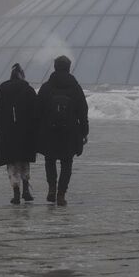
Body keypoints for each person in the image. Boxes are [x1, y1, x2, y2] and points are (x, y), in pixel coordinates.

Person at [36, 54, 89, 205]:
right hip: (70, 133)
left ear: (55, 67)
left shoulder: (46, 87)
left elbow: (37, 110)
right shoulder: (75, 88)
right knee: (67, 163)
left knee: (49, 160)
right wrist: (84, 132)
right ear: (69, 68)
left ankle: (52, 188)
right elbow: (83, 111)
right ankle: (61, 194)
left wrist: (38, 130)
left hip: (49, 132)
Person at [0, 63, 38, 203]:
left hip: (7, 135)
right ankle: (25, 190)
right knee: (24, 162)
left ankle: (16, 193)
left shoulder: (3, 91)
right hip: (26, 133)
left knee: (12, 164)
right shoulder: (28, 90)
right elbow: (36, 112)